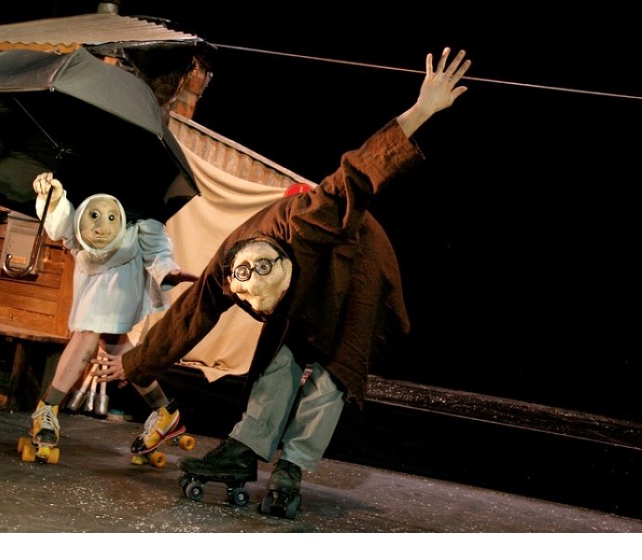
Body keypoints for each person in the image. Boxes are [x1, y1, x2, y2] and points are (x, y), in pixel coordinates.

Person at [92, 47, 472, 514]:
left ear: (287, 266)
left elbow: (361, 169)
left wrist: (422, 109)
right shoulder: (231, 262)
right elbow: (190, 315)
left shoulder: (315, 218)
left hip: (357, 270)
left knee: (335, 371)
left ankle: (292, 465)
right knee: (277, 357)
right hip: (301, 290)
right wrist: (137, 363)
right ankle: (244, 449)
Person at [27, 172, 197, 461]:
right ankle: (165, 411)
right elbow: (64, 228)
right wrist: (52, 200)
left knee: (86, 336)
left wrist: (170, 272)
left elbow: (157, 250)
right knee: (116, 347)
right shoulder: (87, 196)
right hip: (90, 282)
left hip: (122, 283)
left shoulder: (140, 214)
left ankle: (47, 409)